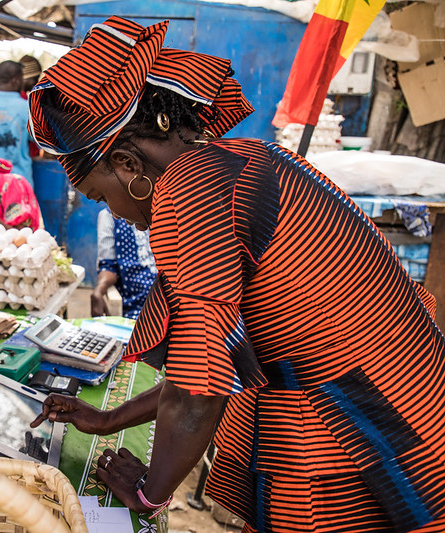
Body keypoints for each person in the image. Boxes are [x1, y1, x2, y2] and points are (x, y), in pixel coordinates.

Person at [28, 16, 445, 532]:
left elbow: (199, 391)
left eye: (99, 195)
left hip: (358, 421)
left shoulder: (188, 194)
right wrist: (110, 420)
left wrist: (148, 494)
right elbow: (208, 362)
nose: (112, 212)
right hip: (406, 392)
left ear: (129, 166)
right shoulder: (243, 157)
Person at [92, 207, 157, 320]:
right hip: (137, 309)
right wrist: (98, 290)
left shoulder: (162, 209)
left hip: (172, 302)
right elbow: (108, 266)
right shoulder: (109, 216)